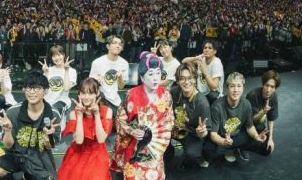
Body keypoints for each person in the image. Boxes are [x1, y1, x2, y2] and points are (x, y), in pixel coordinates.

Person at [111, 52, 174, 180]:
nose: (155, 78)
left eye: (158, 73)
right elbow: (120, 118)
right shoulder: (131, 94)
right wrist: (131, 131)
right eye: (151, 74)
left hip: (154, 149)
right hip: (135, 147)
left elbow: (169, 120)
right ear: (142, 77)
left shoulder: (166, 95)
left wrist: (160, 135)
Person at [0, 71, 59, 180]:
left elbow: (49, 146)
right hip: (17, 156)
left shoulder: (54, 114)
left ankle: (26, 176)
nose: (32, 92)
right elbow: (8, 146)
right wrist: (8, 130)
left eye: (37, 88)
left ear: (46, 91)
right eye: (29, 88)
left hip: (40, 158)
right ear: (24, 90)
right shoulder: (13, 112)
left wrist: (48, 137)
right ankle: (22, 176)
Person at [204, 72, 269, 164]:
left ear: (243, 88)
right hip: (223, 137)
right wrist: (223, 142)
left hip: (238, 135)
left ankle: (235, 148)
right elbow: (213, 134)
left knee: (262, 145)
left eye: (239, 86)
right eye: (232, 86)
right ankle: (232, 147)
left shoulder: (246, 104)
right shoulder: (217, 106)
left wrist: (256, 136)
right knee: (208, 152)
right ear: (227, 88)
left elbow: (249, 127)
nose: (236, 90)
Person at [57, 77, 113, 180]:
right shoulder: (74, 113)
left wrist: (96, 114)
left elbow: (101, 139)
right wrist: (79, 116)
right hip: (78, 152)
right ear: (79, 94)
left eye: (90, 93)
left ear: (97, 93)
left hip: (97, 153)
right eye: (83, 93)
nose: (86, 97)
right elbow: (79, 141)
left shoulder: (107, 111)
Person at [166, 63, 211, 170]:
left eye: (190, 78)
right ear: (177, 81)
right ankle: (168, 153)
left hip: (191, 134)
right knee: (159, 139)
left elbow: (206, 132)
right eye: (182, 78)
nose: (186, 82)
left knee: (192, 155)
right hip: (175, 128)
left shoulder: (202, 103)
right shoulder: (173, 92)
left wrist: (202, 132)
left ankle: (197, 156)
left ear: (195, 79)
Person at [89, 35, 129, 118]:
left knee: (122, 121)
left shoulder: (124, 63)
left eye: (120, 44)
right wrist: (97, 82)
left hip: (115, 99)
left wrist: (120, 77)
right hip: (100, 99)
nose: (118, 46)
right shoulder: (97, 63)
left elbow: (121, 86)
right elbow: (90, 86)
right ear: (108, 46)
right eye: (115, 43)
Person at [244, 70, 279, 159]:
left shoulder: (273, 97)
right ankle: (242, 147)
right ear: (263, 84)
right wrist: (263, 111)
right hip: (246, 127)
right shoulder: (252, 95)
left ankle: (252, 143)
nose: (268, 90)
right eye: (267, 85)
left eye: (272, 87)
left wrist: (270, 138)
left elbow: (271, 119)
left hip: (259, 127)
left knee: (267, 150)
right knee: (254, 132)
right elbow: (251, 120)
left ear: (275, 88)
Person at [41, 45, 76, 128]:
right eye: (54, 56)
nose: (57, 58)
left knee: (56, 122)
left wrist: (66, 71)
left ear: (63, 55)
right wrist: (46, 73)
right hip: (47, 101)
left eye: (59, 55)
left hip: (61, 102)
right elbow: (43, 90)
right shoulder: (48, 70)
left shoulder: (72, 71)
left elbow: (66, 88)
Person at [181, 39, 224, 104]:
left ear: (215, 51)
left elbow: (214, 88)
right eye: (205, 48)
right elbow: (184, 61)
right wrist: (196, 57)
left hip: (212, 95)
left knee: (213, 95)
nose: (206, 50)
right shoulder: (201, 60)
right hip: (200, 93)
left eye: (210, 48)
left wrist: (205, 72)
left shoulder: (216, 63)